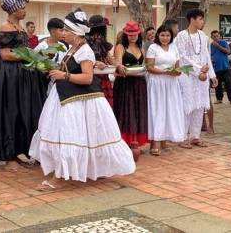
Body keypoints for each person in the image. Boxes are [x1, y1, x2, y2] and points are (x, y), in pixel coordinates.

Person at [29, 10, 135, 191]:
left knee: (71, 137)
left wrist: (64, 75)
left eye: (66, 31)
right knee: (74, 136)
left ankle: (59, 177)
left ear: (76, 33)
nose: (63, 33)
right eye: (63, 30)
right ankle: (71, 171)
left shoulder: (85, 50)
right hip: (67, 97)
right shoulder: (73, 48)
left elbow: (87, 77)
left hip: (79, 101)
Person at [0, 0, 47, 172]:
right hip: (7, 76)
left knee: (22, 111)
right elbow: (6, 54)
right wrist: (29, 55)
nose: (25, 11)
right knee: (10, 112)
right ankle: (9, 157)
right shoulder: (6, 27)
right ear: (13, 10)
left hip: (20, 74)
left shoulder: (19, 28)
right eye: (22, 8)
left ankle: (16, 154)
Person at [175, 9, 217, 149]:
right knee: (187, 106)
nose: (202, 22)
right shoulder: (181, 36)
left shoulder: (203, 36)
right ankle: (182, 137)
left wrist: (212, 75)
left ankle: (195, 136)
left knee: (199, 107)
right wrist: (199, 69)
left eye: (202, 19)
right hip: (187, 77)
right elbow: (182, 57)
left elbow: (206, 57)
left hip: (202, 78)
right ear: (191, 20)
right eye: (200, 19)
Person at [145, 24, 185, 155]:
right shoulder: (153, 47)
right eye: (162, 35)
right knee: (157, 110)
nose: (165, 38)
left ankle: (164, 142)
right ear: (158, 36)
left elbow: (177, 68)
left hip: (171, 84)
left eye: (168, 35)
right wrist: (165, 72)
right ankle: (154, 143)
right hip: (157, 83)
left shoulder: (174, 48)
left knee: (169, 111)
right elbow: (149, 67)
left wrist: (178, 72)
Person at [114, 21, 149, 149]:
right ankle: (124, 140)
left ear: (138, 34)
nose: (132, 36)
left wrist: (144, 69)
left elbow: (144, 65)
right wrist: (120, 66)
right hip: (125, 83)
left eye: (135, 34)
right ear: (125, 34)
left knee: (138, 110)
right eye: (130, 34)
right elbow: (118, 63)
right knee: (126, 110)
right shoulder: (121, 47)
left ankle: (135, 140)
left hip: (139, 82)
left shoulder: (142, 49)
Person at [86, 15, 116, 107]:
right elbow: (84, 58)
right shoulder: (85, 41)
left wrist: (117, 65)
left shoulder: (101, 42)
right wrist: (96, 62)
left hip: (104, 76)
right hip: (92, 77)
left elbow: (109, 58)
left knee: (106, 104)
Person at [35, 18, 68, 93]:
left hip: (60, 84)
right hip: (45, 84)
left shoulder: (63, 46)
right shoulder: (41, 47)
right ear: (53, 32)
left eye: (65, 30)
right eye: (61, 30)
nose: (64, 33)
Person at [210, 30, 231, 105]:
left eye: (217, 36)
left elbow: (228, 51)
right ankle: (219, 99)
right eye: (214, 36)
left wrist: (218, 46)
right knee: (217, 85)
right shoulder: (211, 45)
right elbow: (210, 55)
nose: (216, 38)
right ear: (211, 37)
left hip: (225, 67)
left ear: (219, 36)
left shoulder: (223, 43)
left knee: (228, 83)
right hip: (216, 68)